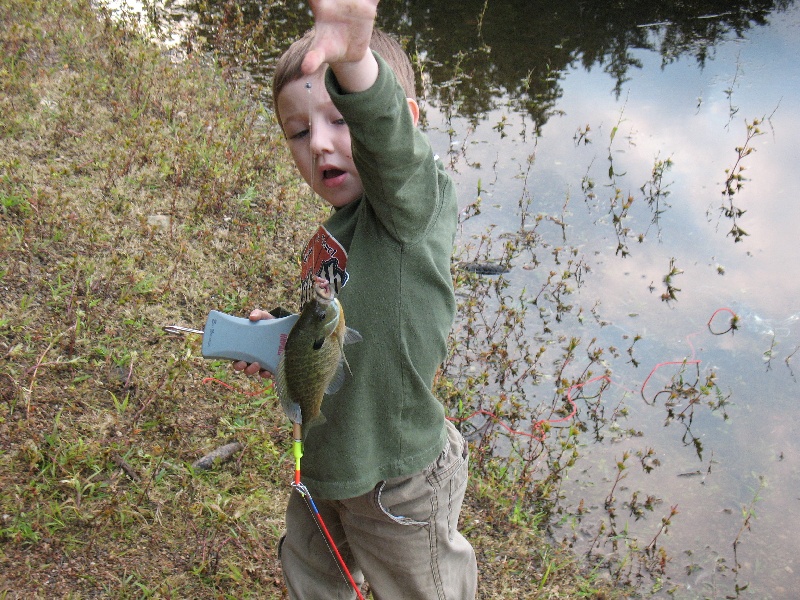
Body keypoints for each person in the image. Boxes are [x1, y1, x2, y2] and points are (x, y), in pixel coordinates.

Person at [234, 1, 477, 597]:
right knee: (310, 575)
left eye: (340, 119)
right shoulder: (337, 227)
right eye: (298, 131)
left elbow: (391, 143)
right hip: (326, 456)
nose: (318, 143)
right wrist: (284, 335)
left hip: (399, 480)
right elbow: (339, 317)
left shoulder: (410, 206)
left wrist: (357, 60)